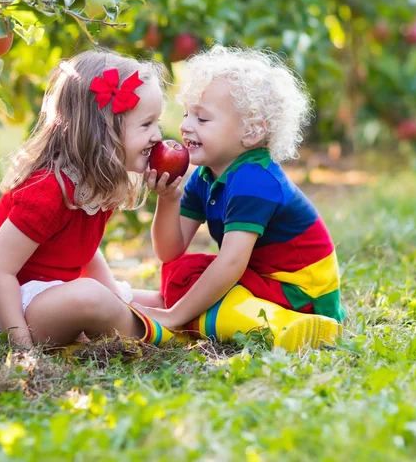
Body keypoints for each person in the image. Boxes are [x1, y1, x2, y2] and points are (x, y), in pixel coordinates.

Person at [0, 49, 174, 349]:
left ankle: (171, 316)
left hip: (45, 293)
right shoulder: (48, 190)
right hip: (4, 308)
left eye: (156, 123)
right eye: (146, 125)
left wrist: (117, 296)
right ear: (103, 132)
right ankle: (164, 332)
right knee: (90, 298)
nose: (157, 136)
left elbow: (83, 250)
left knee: (154, 298)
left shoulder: (97, 181)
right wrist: (21, 347)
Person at [135, 45, 345, 351]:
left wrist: (174, 314)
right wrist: (168, 200)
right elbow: (170, 251)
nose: (185, 126)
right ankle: (207, 319)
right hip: (261, 280)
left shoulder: (254, 180)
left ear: (251, 131)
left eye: (202, 119)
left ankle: (281, 326)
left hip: (301, 293)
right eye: (186, 113)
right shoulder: (206, 176)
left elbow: (231, 262)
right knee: (181, 272)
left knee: (199, 284)